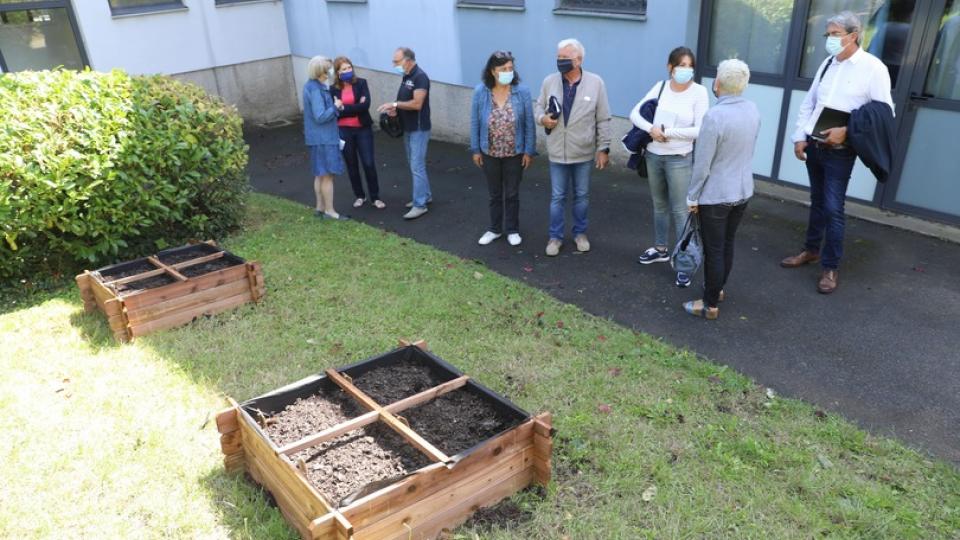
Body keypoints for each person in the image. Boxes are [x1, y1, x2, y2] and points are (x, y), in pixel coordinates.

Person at [782, 11, 893, 294]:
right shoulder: (827, 64)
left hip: (841, 151)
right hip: (815, 144)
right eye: (828, 35)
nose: (829, 40)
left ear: (853, 36)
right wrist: (799, 136)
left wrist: (847, 129)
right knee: (817, 201)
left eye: (835, 34)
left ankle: (830, 267)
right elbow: (810, 103)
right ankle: (811, 250)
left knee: (833, 207)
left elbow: (884, 113)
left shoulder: (873, 68)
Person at [682, 59, 760, 320]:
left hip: (716, 195)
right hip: (742, 190)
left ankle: (709, 304)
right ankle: (718, 289)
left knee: (713, 249)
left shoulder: (715, 116)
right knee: (727, 244)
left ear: (719, 82)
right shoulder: (753, 110)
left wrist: (692, 196)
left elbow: (702, 164)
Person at [631, 46, 709, 288]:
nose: (686, 70)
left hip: (679, 157)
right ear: (670, 67)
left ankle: (685, 263)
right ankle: (660, 248)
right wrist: (651, 130)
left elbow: (701, 128)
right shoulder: (661, 86)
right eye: (681, 66)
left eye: (690, 66)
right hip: (654, 155)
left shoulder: (699, 92)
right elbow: (635, 114)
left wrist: (669, 132)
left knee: (680, 211)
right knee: (659, 205)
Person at [534, 38, 611, 257]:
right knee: (557, 197)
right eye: (558, 57)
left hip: (583, 152)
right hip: (557, 151)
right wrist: (542, 119)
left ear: (578, 60)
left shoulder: (595, 83)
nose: (560, 61)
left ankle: (580, 234)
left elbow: (603, 118)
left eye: (564, 58)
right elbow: (538, 106)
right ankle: (555, 237)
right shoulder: (550, 81)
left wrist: (603, 148)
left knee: (581, 196)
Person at [469, 51, 536, 246]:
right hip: (489, 152)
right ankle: (495, 229)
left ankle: (512, 229)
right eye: (503, 69)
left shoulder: (521, 92)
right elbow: (474, 121)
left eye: (510, 68)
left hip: (514, 153)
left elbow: (529, 124)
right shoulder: (481, 92)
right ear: (492, 71)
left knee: (512, 193)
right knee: (495, 194)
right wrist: (475, 150)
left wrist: (528, 151)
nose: (508, 72)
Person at [378, 47, 432, 220]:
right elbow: (405, 101)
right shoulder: (407, 76)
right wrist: (395, 112)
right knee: (414, 164)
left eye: (397, 61)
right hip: (408, 127)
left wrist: (394, 105)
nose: (394, 64)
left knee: (417, 165)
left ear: (408, 60)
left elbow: (417, 104)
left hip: (418, 129)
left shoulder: (420, 77)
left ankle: (420, 205)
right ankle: (425, 195)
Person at [330, 56, 385, 210]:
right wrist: (348, 108)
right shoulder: (333, 89)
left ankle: (375, 197)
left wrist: (343, 108)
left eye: (349, 68)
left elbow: (365, 106)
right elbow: (334, 111)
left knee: (368, 163)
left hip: (362, 129)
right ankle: (360, 196)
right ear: (338, 72)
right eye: (344, 69)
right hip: (344, 131)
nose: (348, 71)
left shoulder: (361, 83)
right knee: (351, 164)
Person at [303, 55, 348, 220]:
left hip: (317, 138)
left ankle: (320, 208)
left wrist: (335, 106)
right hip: (324, 139)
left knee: (320, 174)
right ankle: (330, 211)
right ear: (322, 71)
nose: (331, 70)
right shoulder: (316, 89)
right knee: (327, 175)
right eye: (329, 67)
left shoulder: (313, 86)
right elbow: (320, 116)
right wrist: (335, 107)